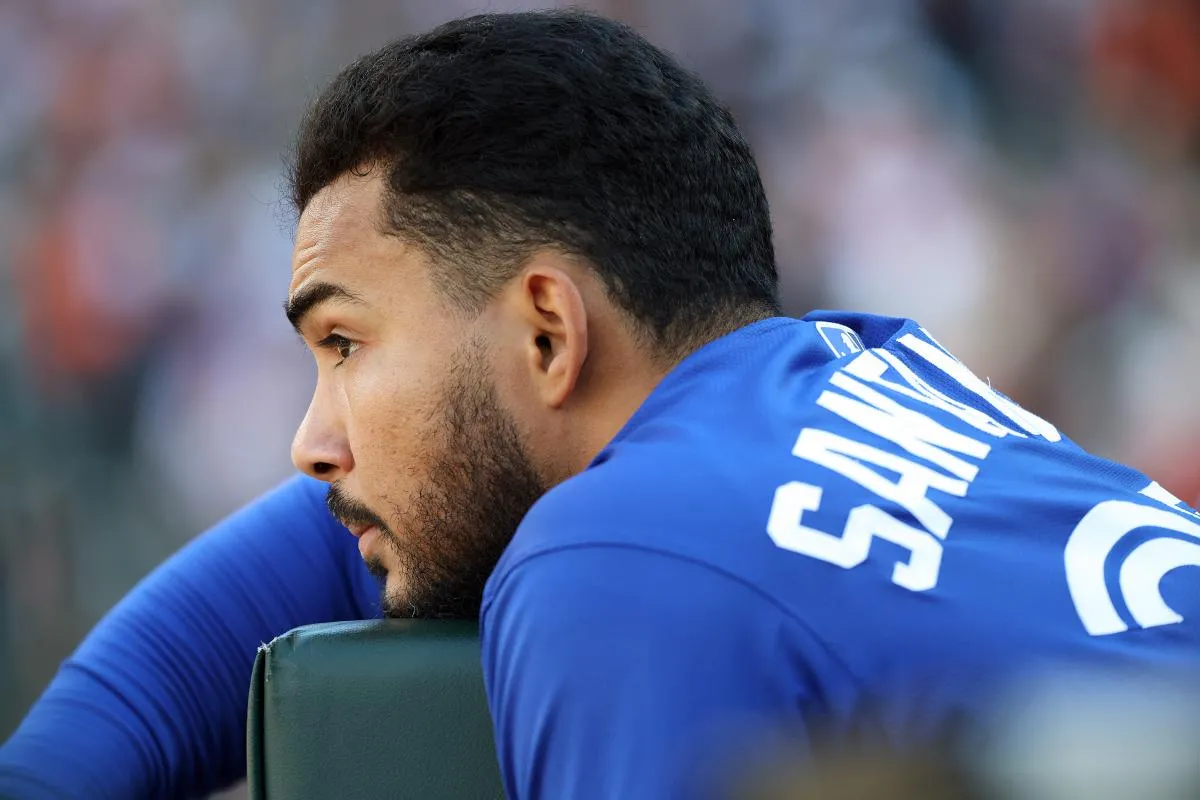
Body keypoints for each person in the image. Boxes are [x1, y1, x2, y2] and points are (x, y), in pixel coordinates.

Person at [3, 9, 1199, 799]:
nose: (312, 440)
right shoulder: (854, 369)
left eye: (346, 343)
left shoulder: (620, 552)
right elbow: (301, 574)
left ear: (545, 329)